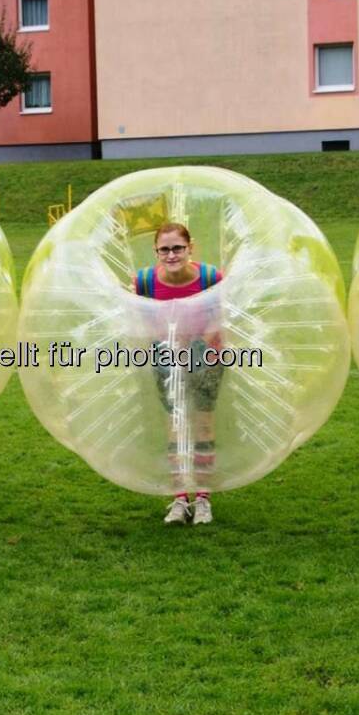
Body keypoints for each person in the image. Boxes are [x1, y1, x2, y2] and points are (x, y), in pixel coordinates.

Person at [134, 222, 224, 526]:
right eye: (165, 249)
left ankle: (202, 499)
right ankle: (178, 499)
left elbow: (220, 321)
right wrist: (168, 341)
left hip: (205, 356)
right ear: (156, 251)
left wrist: (195, 340)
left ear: (190, 247)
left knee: (202, 424)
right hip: (164, 355)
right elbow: (143, 320)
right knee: (174, 425)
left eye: (178, 248)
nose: (171, 255)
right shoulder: (145, 281)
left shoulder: (211, 278)